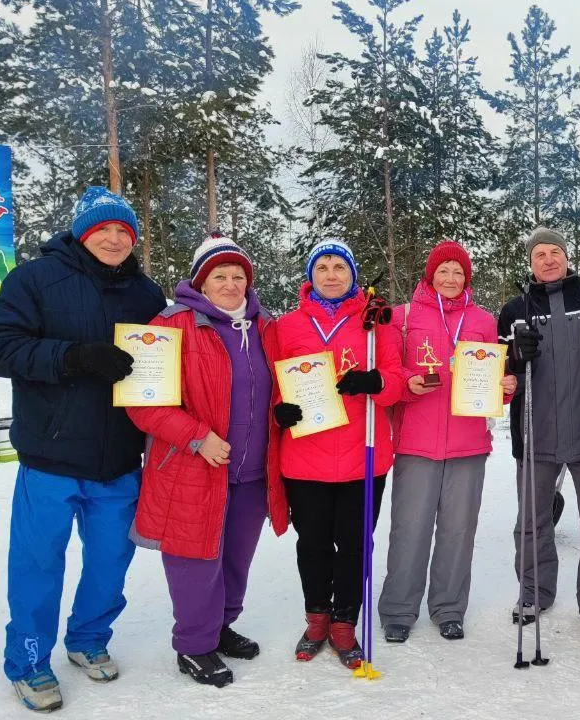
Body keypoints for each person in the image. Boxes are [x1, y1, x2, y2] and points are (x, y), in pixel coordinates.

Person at [0, 186, 166, 713]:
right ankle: (31, 660)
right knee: (38, 565)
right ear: (82, 233)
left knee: (111, 563)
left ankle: (86, 639)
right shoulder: (35, 281)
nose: (112, 238)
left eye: (123, 231)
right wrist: (74, 357)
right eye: (102, 229)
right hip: (51, 457)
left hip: (120, 461)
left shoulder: (147, 296)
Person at [125, 235, 288, 688]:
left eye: (239, 276)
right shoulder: (168, 325)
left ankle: (221, 626)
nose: (232, 284)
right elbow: (143, 403)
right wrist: (197, 437)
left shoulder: (266, 327)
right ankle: (194, 646)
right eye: (221, 276)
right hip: (192, 468)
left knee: (237, 558)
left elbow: (279, 391)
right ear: (201, 281)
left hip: (253, 471)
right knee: (195, 560)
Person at [273, 239, 405, 671]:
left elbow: (397, 379)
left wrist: (375, 383)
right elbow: (276, 382)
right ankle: (317, 618)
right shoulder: (287, 326)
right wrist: (280, 410)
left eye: (340, 267)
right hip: (305, 457)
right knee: (311, 543)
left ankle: (345, 622)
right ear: (310, 276)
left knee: (354, 544)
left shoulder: (375, 321)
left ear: (352, 275)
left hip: (361, 456)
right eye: (323, 267)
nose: (331, 274)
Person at [377, 240, 516, 643]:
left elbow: (492, 380)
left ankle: (449, 608)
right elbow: (390, 370)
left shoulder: (484, 321)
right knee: (410, 529)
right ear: (430, 274)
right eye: (443, 270)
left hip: (467, 444)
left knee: (459, 530)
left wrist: (506, 387)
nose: (451, 278)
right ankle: (399, 610)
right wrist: (407, 384)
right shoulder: (402, 318)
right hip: (416, 442)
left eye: (458, 271)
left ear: (466, 277)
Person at [497, 227, 580, 642]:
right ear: (531, 262)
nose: (549, 259)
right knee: (532, 522)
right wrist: (516, 355)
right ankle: (534, 592)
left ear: (567, 258)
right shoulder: (515, 309)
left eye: (555, 252)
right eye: (540, 254)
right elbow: (500, 374)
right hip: (536, 431)